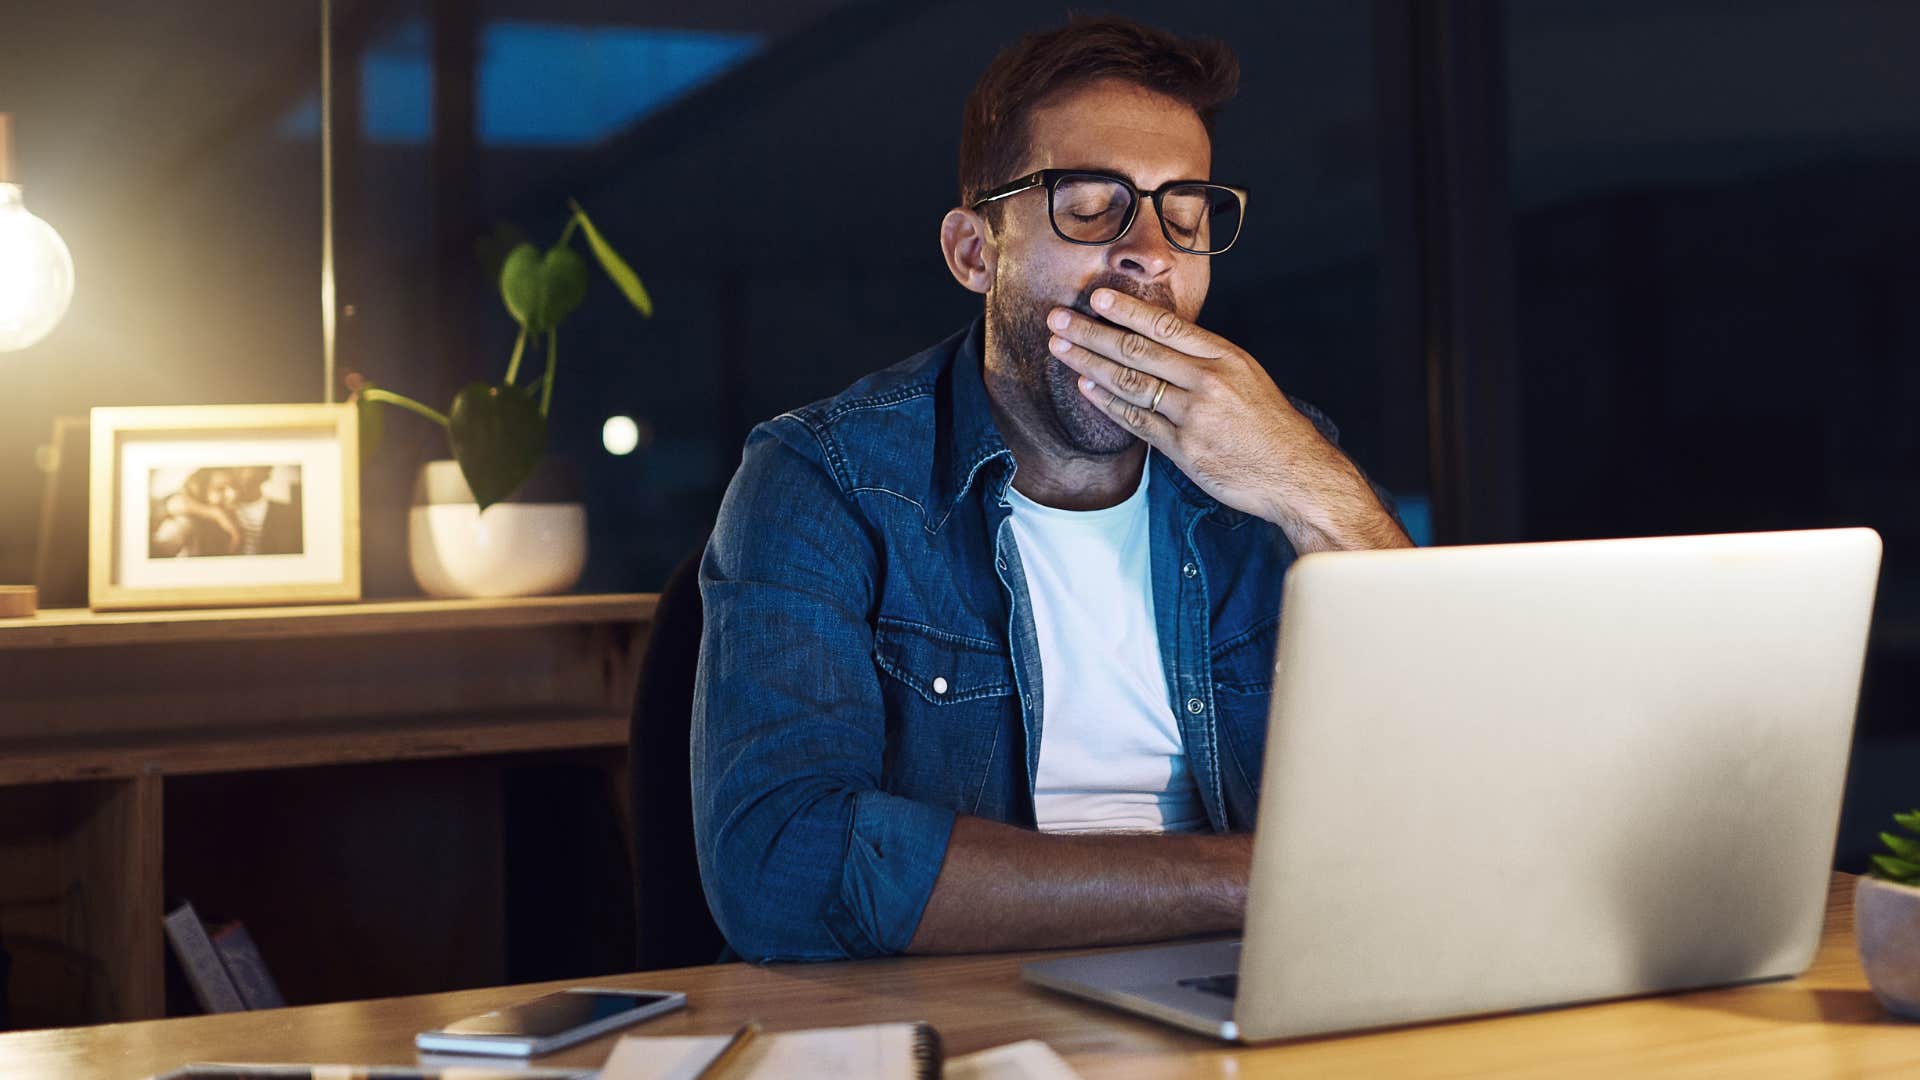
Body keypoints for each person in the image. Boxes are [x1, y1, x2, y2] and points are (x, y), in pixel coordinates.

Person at [693, 15, 1411, 963]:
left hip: (1262, 996)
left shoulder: (1282, 465)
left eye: (1183, 213)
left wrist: (1315, 489)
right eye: (1090, 205)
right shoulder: (823, 478)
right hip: (967, 1011)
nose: (1148, 251)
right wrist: (1261, 881)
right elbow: (781, 868)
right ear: (974, 252)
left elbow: (1457, 782)